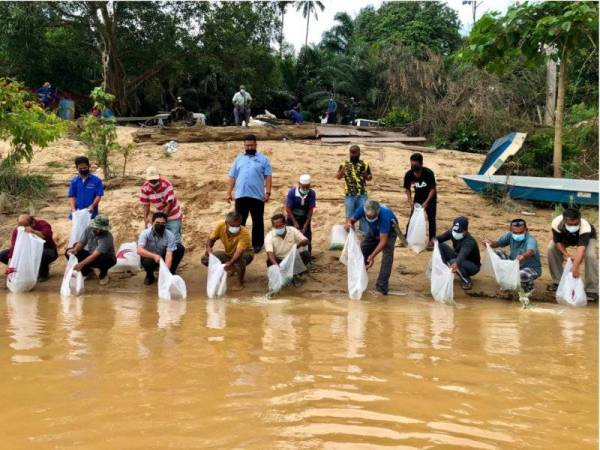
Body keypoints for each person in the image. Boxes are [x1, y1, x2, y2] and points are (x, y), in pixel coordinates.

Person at [227, 134, 272, 253]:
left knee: (257, 221)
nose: (249, 147)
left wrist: (268, 193)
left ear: (256, 145)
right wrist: (228, 192)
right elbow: (232, 176)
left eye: (252, 145)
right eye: (247, 145)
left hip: (257, 196)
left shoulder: (263, 159)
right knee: (240, 221)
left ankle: (257, 244)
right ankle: (239, 243)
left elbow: (268, 177)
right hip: (241, 195)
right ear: (244, 145)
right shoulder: (238, 159)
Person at [345, 200, 399, 295]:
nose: (370, 217)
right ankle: (359, 278)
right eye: (368, 216)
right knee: (363, 251)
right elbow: (351, 220)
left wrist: (372, 256)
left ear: (377, 212)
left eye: (372, 216)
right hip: (374, 229)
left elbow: (383, 241)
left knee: (387, 258)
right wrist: (349, 224)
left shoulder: (385, 216)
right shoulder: (362, 208)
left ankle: (381, 287)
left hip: (389, 232)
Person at [547, 208, 598, 299]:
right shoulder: (556, 222)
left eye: (576, 224)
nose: (573, 226)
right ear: (564, 220)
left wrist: (575, 267)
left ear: (579, 220)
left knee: (591, 255)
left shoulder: (585, 227)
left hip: (588, 238)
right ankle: (557, 281)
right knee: (551, 247)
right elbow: (558, 241)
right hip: (565, 237)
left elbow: (581, 249)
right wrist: (566, 254)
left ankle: (592, 289)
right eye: (570, 224)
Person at [483, 219, 542, 292]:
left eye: (520, 232)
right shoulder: (509, 235)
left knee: (521, 275)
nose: (517, 235)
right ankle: (506, 280)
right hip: (514, 264)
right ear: (511, 230)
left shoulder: (530, 239)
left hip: (531, 268)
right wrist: (490, 243)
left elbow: (531, 251)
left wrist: (523, 256)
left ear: (526, 230)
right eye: (515, 233)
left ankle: (529, 286)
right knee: (497, 253)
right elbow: (498, 243)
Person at [202, 211, 254, 288]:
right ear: (226, 222)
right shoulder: (220, 226)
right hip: (229, 253)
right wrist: (208, 248)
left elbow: (239, 251)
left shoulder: (244, 233)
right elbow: (211, 238)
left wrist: (230, 262)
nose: (235, 228)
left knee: (239, 260)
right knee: (205, 259)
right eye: (232, 225)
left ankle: (240, 283)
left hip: (246, 253)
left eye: (238, 226)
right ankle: (233, 268)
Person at [0, 214, 58, 281]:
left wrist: (33, 231)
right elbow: (14, 248)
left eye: (25, 226)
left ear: (32, 223)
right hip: (25, 252)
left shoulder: (42, 224)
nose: (23, 228)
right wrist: (10, 266)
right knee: (2, 255)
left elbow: (47, 236)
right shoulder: (17, 230)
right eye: (20, 225)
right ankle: (22, 270)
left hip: (45, 250)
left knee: (43, 254)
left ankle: (43, 273)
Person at [137, 212, 185, 285]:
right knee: (147, 261)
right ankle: (149, 275)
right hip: (150, 257)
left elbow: (169, 255)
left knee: (179, 248)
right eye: (157, 222)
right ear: (152, 223)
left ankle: (170, 272)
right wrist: (154, 256)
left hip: (163, 255)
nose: (160, 225)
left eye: (163, 223)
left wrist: (165, 272)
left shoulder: (170, 235)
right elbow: (139, 250)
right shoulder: (145, 233)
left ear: (166, 224)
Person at [66, 215, 116, 285]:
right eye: (96, 228)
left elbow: (95, 255)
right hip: (91, 254)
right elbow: (81, 243)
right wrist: (75, 250)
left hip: (105, 257)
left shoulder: (107, 237)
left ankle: (103, 274)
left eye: (100, 229)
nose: (97, 230)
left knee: (104, 259)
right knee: (69, 252)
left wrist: (81, 264)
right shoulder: (88, 229)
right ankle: (88, 272)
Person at [139, 166, 183, 243]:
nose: (153, 182)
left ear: (158, 177)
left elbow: (169, 204)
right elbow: (146, 205)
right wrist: (146, 220)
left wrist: (162, 220)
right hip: (160, 213)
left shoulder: (166, 184)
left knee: (175, 238)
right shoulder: (145, 188)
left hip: (173, 214)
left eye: (155, 180)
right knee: (161, 239)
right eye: (151, 180)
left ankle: (176, 253)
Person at [435, 217, 481, 290]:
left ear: (465, 231)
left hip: (472, 266)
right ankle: (444, 272)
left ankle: (467, 281)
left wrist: (456, 263)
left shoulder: (469, 242)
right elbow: (439, 238)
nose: (456, 233)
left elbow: (463, 254)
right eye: (455, 230)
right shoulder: (452, 232)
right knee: (440, 246)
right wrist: (432, 240)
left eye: (459, 231)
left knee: (453, 261)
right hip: (457, 257)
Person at [336, 145, 372, 234]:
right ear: (349, 153)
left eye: (355, 153)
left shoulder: (365, 164)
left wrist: (366, 176)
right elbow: (338, 177)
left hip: (362, 194)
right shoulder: (344, 164)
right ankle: (350, 235)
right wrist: (342, 172)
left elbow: (370, 177)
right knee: (349, 216)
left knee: (364, 215)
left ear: (359, 153)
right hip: (349, 195)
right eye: (352, 153)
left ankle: (363, 234)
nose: (353, 155)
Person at [404, 153, 437, 249]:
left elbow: (433, 189)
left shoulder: (428, 173)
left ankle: (432, 240)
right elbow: (407, 189)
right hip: (418, 197)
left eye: (416, 164)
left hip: (430, 198)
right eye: (412, 164)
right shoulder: (408, 174)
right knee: (412, 216)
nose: (413, 166)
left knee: (431, 218)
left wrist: (426, 202)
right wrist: (411, 202)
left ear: (421, 164)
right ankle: (406, 237)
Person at [285, 174, 316, 253]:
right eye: (303, 186)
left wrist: (306, 224)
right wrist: (294, 222)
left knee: (307, 237)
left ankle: (307, 256)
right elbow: (288, 209)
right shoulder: (292, 192)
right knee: (290, 237)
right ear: (299, 184)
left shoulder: (311, 193)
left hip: (304, 217)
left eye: (307, 186)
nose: (305, 188)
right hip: (292, 217)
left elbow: (310, 209)